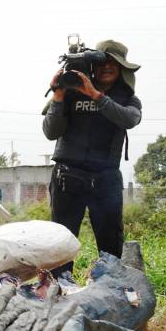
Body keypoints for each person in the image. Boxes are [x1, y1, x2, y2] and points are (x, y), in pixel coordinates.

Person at [42, 40, 142, 277]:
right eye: (102, 62)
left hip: (105, 181)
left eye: (114, 63)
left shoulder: (128, 98)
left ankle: (110, 295)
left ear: (122, 69)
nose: (107, 66)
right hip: (68, 178)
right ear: (92, 66)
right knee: (60, 245)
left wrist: (96, 95)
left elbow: (129, 119)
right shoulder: (69, 92)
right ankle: (57, 295)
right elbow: (50, 132)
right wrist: (58, 95)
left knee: (111, 249)